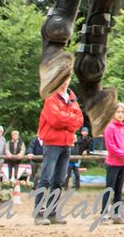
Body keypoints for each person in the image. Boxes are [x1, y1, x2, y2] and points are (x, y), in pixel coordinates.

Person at [34, 80, 83, 225]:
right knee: (46, 178)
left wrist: (66, 119)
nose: (64, 81)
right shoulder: (51, 97)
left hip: (66, 144)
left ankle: (52, 212)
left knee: (59, 180)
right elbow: (55, 120)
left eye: (67, 78)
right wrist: (70, 120)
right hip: (52, 143)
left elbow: (80, 121)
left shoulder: (73, 99)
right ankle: (39, 213)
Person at [101, 103, 124, 224]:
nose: (120, 114)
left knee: (119, 190)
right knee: (109, 188)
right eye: (118, 112)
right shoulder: (110, 128)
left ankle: (116, 214)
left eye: (122, 112)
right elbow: (111, 147)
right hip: (113, 163)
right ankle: (104, 214)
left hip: (123, 163)